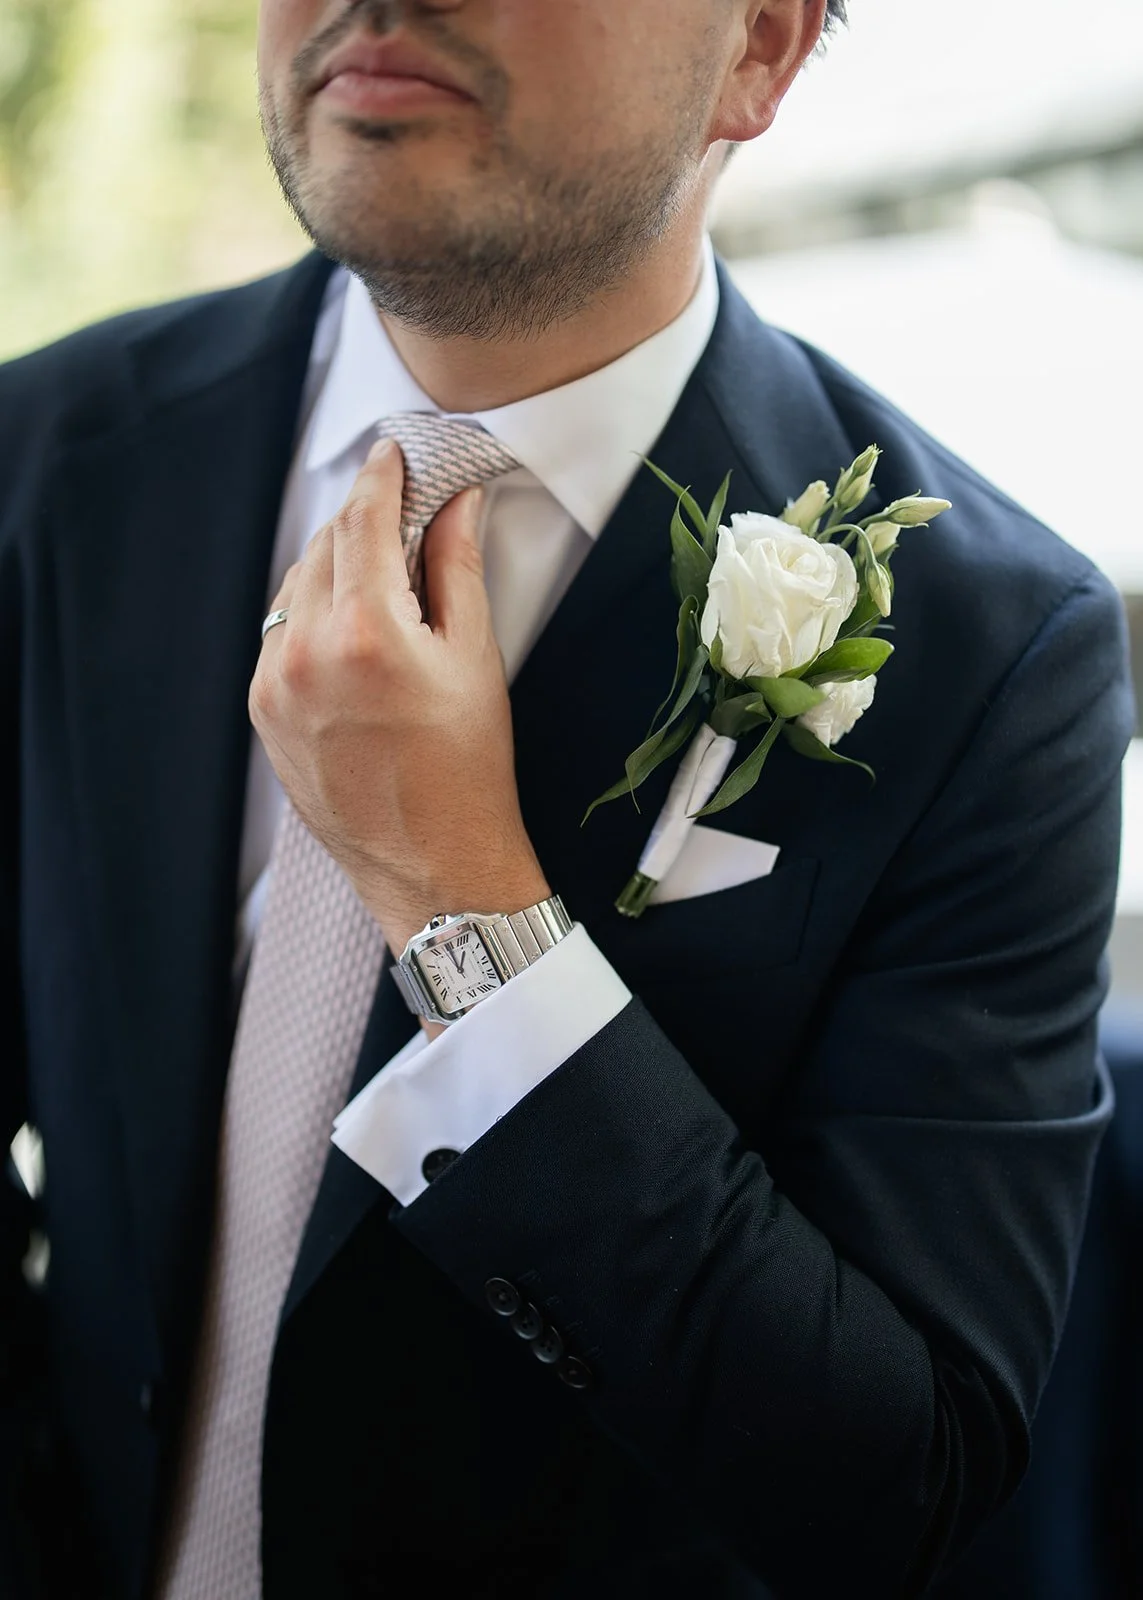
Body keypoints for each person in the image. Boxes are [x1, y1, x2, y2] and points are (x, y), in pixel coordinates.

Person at [0, 1, 1133, 1596]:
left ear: (758, 49)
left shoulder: (993, 652)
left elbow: (898, 1472)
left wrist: (467, 912)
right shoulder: (48, 457)